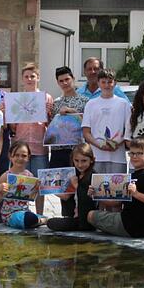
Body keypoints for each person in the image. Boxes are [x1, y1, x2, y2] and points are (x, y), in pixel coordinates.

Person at [87, 139, 144, 238]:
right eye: (131, 153)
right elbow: (117, 202)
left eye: (139, 153)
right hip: (127, 221)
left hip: (133, 226)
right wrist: (96, 194)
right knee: (97, 215)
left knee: (90, 215)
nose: (134, 157)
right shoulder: (131, 176)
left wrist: (136, 194)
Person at [7, 63, 53, 214]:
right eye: (26, 76)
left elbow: (51, 125)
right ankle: (21, 212)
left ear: (38, 78)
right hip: (21, 148)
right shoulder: (16, 99)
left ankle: (39, 214)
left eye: (32, 76)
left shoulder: (46, 98)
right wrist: (9, 116)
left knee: (40, 183)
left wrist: (48, 115)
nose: (29, 79)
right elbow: (13, 128)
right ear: (22, 79)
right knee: (21, 183)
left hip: (40, 147)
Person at [48, 66, 88, 216]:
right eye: (61, 81)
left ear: (73, 79)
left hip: (77, 150)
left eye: (67, 79)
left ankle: (81, 216)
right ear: (58, 83)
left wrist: (73, 113)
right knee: (63, 187)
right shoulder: (55, 103)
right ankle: (67, 216)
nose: (65, 83)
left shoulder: (84, 101)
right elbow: (51, 126)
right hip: (59, 150)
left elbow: (88, 124)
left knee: (79, 185)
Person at [82, 68, 132, 174]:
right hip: (96, 157)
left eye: (109, 82)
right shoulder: (90, 104)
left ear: (115, 83)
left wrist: (117, 144)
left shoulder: (123, 103)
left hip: (118, 157)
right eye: (103, 82)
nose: (106, 85)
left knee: (117, 185)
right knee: (96, 184)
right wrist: (99, 145)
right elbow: (86, 132)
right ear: (98, 83)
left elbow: (128, 130)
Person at [0, 141, 46, 229]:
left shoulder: (29, 176)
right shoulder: (5, 176)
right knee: (31, 218)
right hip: (9, 215)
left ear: (28, 157)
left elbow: (31, 197)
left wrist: (36, 189)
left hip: (24, 212)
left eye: (24, 156)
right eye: (16, 155)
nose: (20, 158)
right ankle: (39, 221)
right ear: (10, 156)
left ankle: (38, 220)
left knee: (31, 218)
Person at [46, 143, 98, 231]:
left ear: (92, 160)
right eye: (76, 161)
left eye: (84, 161)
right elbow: (66, 196)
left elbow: (88, 200)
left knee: (52, 223)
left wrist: (76, 186)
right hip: (73, 216)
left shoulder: (93, 176)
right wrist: (46, 188)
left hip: (86, 219)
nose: (80, 165)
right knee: (51, 222)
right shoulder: (74, 174)